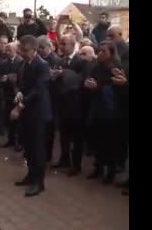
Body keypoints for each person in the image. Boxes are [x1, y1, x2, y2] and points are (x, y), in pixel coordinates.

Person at [11, 35, 52, 197]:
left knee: (38, 148)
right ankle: (30, 175)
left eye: (26, 50)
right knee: (28, 147)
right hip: (27, 112)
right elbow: (21, 85)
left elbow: (38, 89)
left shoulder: (42, 65)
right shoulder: (23, 64)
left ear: (35, 50)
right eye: (21, 50)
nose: (22, 53)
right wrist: (18, 93)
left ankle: (39, 182)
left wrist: (20, 106)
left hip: (39, 113)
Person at [84, 41, 123, 184]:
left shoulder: (116, 68)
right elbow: (91, 80)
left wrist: (98, 86)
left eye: (103, 51)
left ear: (111, 53)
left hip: (111, 111)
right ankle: (98, 167)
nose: (100, 53)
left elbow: (115, 89)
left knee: (109, 143)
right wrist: (88, 84)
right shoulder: (96, 67)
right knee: (98, 140)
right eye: (99, 51)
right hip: (97, 109)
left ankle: (110, 172)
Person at [51, 34, 87, 177]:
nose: (61, 46)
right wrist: (54, 76)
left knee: (76, 137)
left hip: (76, 105)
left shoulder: (80, 61)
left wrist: (64, 73)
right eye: (60, 44)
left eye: (64, 44)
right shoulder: (60, 60)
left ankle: (76, 165)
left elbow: (82, 79)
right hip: (62, 104)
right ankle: (64, 159)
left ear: (73, 44)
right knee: (64, 135)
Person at [106, 25, 129, 171]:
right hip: (115, 95)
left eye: (112, 36)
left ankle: (120, 163)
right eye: (108, 36)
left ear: (121, 34)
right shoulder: (111, 48)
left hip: (124, 96)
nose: (109, 39)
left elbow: (124, 70)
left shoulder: (125, 50)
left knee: (122, 135)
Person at [37, 36, 61, 165]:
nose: (40, 50)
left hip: (52, 98)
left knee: (49, 128)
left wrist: (52, 76)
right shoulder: (39, 59)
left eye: (42, 47)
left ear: (49, 46)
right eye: (38, 48)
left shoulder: (55, 59)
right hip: (41, 97)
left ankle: (48, 154)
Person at [0, 42, 23, 151]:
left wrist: (10, 77)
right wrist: (2, 79)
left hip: (18, 94)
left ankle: (19, 142)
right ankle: (10, 140)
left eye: (9, 50)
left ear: (16, 50)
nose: (7, 52)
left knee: (18, 120)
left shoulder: (21, 61)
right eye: (6, 50)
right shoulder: (3, 63)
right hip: (7, 93)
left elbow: (21, 77)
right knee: (9, 118)